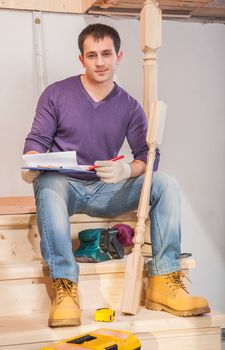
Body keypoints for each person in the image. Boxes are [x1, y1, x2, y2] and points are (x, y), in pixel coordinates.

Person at [22, 23, 210, 327]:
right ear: (81, 59)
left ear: (118, 56)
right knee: (49, 180)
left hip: (105, 190)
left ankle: (163, 280)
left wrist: (127, 169)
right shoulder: (56, 94)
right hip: (63, 189)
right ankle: (65, 288)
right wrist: (31, 164)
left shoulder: (129, 106)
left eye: (106, 54)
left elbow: (149, 156)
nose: (100, 62)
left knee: (164, 183)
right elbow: (36, 143)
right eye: (92, 55)